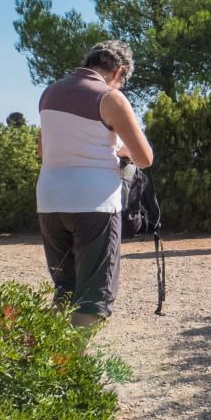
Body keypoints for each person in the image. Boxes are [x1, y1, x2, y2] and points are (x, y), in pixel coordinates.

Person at [36, 40, 153, 328]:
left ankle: (44, 364)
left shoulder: (50, 92)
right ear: (119, 71)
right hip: (94, 203)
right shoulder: (109, 97)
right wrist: (119, 153)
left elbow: (42, 149)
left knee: (65, 288)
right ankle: (73, 366)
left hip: (50, 200)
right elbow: (144, 157)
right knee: (93, 296)